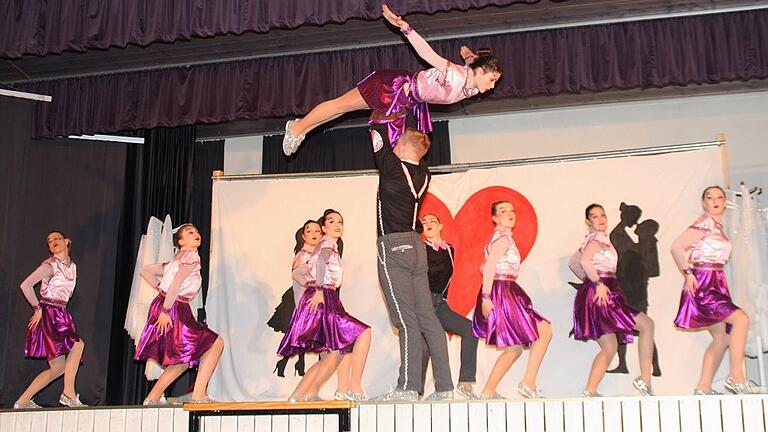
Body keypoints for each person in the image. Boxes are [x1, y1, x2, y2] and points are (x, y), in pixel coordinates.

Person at [282, 4, 502, 156]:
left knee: (344, 110)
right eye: (492, 79)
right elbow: (428, 54)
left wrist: (469, 57)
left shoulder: (472, 87)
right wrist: (404, 27)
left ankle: (301, 129)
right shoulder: (454, 74)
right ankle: (296, 128)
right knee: (343, 104)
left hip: (407, 99)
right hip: (394, 86)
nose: (492, 87)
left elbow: (471, 67)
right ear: (480, 72)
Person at [370, 119, 454, 402]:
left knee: (405, 321)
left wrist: (382, 106)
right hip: (416, 247)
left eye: (398, 142)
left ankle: (407, 388)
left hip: (394, 247)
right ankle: (444, 387)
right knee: (428, 319)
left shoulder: (393, 168)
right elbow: (404, 144)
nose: (393, 144)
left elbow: (377, 132)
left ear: (404, 147)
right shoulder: (424, 173)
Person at [278, 210, 372, 402]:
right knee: (363, 333)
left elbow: (297, 273)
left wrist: (311, 286)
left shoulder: (321, 246)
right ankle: (354, 387)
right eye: (332, 221)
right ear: (324, 227)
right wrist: (319, 289)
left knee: (333, 353)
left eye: (340, 221)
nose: (337, 225)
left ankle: (299, 396)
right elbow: (319, 263)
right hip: (325, 297)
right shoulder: (327, 243)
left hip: (325, 297)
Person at [671, 186, 754, 394]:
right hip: (704, 281)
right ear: (703, 203)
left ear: (725, 203)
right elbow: (677, 246)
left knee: (723, 337)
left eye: (719, 197)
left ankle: (704, 386)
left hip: (717, 280)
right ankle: (737, 377)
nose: (715, 201)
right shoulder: (704, 223)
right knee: (741, 320)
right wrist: (688, 273)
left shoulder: (716, 226)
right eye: (710, 197)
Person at [569, 204, 655, 397]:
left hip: (600, 291)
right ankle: (645, 380)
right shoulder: (597, 239)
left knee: (610, 346)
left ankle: (590, 390)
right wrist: (597, 283)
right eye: (594, 216)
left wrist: (587, 283)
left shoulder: (595, 239)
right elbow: (583, 262)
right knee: (647, 325)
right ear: (588, 221)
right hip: (602, 292)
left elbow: (573, 263)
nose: (600, 219)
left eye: (602, 215)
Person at [135, 224, 225, 404]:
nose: (196, 233)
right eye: (190, 232)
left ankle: (152, 397)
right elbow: (176, 283)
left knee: (183, 358)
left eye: (197, 231)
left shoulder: (174, 260)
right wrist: (166, 309)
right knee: (215, 343)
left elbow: (146, 271)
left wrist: (162, 291)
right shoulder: (190, 257)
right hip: (173, 308)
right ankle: (198, 395)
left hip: (169, 305)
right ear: (181, 241)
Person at [472, 201, 552, 399]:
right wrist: (486, 297)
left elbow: (486, 266)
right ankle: (528, 382)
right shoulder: (503, 239)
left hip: (504, 289)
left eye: (512, 210)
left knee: (514, 348)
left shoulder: (500, 238)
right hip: (503, 290)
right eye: (503, 211)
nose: (509, 214)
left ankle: (488, 391)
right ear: (495, 218)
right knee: (544, 330)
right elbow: (489, 266)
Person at [14, 231, 87, 409]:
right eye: (50, 241)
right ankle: (68, 394)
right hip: (50, 312)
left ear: (66, 242)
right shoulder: (50, 265)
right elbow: (26, 285)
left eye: (57, 238)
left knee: (58, 368)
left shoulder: (72, 266)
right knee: (78, 345)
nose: (53, 242)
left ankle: (22, 401)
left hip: (61, 312)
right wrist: (37, 308)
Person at [419, 213, 479, 399]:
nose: (428, 224)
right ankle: (417, 391)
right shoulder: (419, 248)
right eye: (424, 222)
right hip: (424, 303)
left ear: (440, 226)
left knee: (470, 329)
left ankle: (465, 382)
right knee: (426, 346)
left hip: (441, 304)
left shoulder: (449, 249)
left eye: (432, 221)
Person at [267, 220, 324, 377]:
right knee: (312, 339)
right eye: (309, 231)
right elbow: (296, 275)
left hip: (316, 303)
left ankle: (303, 372)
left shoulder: (319, 255)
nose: (313, 234)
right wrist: (314, 287)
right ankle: (306, 375)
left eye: (317, 231)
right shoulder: (303, 255)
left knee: (317, 342)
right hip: (307, 304)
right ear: (303, 235)